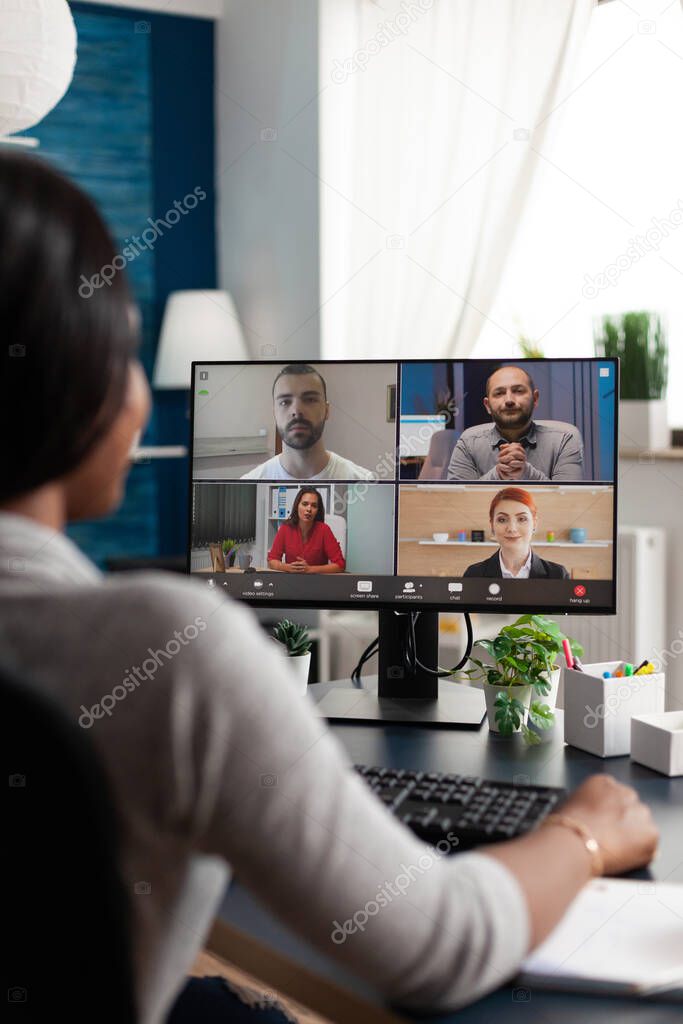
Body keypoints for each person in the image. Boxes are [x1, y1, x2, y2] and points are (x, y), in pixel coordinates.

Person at [0, 153, 659, 1024]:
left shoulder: (369, 480)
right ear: (72, 380)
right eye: (122, 352)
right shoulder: (166, 654)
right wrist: (583, 835)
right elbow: (437, 947)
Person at [447, 365, 584, 481]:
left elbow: (570, 501)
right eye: (499, 393)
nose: (509, 400)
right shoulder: (468, 443)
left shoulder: (564, 440)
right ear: (487, 405)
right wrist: (498, 474)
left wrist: (526, 472)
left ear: (535, 399)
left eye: (518, 391)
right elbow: (456, 501)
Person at [241, 363, 374, 481]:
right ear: (274, 413)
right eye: (285, 402)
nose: (297, 410)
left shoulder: (364, 482)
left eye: (310, 400)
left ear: (326, 410)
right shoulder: (250, 482)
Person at [464, 488, 569, 579]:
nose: (512, 529)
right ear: (492, 525)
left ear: (534, 523)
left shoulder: (558, 575)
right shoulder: (473, 574)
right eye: (502, 520)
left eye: (522, 519)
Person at [268, 488, 345, 573]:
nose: (309, 509)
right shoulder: (286, 528)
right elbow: (272, 560)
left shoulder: (324, 530)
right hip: (291, 581)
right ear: (297, 506)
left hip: (317, 582)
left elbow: (340, 565)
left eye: (314, 506)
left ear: (317, 510)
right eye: (305, 504)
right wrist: (288, 567)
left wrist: (310, 569)